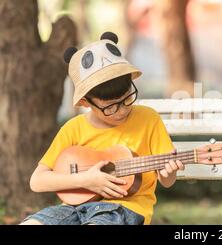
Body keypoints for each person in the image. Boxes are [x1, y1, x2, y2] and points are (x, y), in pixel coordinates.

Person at [20, 32, 183, 225]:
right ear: (85, 102)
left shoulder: (148, 119)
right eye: (111, 107)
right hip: (71, 210)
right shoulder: (73, 128)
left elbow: (167, 180)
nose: (122, 110)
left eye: (127, 98)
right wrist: (86, 181)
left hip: (124, 210)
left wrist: (168, 173)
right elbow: (37, 181)